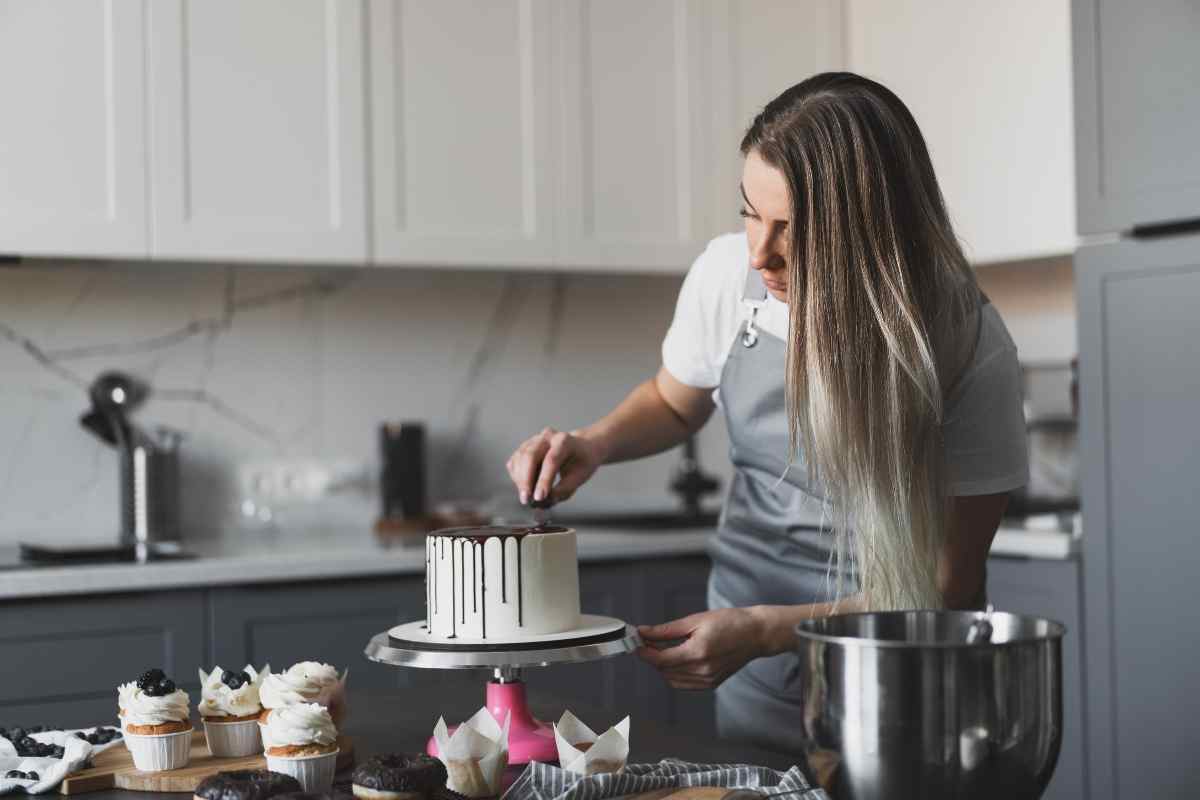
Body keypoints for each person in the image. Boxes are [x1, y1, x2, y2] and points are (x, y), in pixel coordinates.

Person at [505, 72, 1028, 752]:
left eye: (794, 228)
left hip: (902, 673)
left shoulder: (966, 343)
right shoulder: (729, 276)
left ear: (874, 231)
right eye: (751, 212)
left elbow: (945, 587)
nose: (760, 251)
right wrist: (595, 443)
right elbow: (673, 398)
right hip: (758, 671)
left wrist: (766, 627)